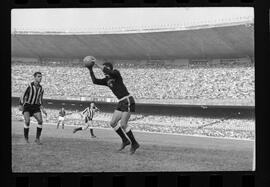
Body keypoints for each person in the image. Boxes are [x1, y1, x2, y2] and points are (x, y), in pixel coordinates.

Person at [84, 56, 140, 154]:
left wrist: (97, 63)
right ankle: (125, 140)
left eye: (105, 69)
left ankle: (134, 143)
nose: (104, 71)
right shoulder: (107, 80)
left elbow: (110, 72)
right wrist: (90, 70)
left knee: (123, 124)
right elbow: (95, 81)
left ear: (110, 68)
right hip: (121, 102)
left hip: (127, 100)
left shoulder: (116, 73)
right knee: (113, 123)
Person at [19, 72, 47, 145]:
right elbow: (22, 95)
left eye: (41, 76)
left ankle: (37, 139)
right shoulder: (29, 86)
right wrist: (21, 104)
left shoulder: (41, 88)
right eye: (38, 76)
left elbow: (40, 100)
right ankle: (26, 138)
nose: (40, 78)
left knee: (40, 121)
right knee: (27, 121)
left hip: (35, 107)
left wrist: (43, 109)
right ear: (34, 77)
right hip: (27, 106)